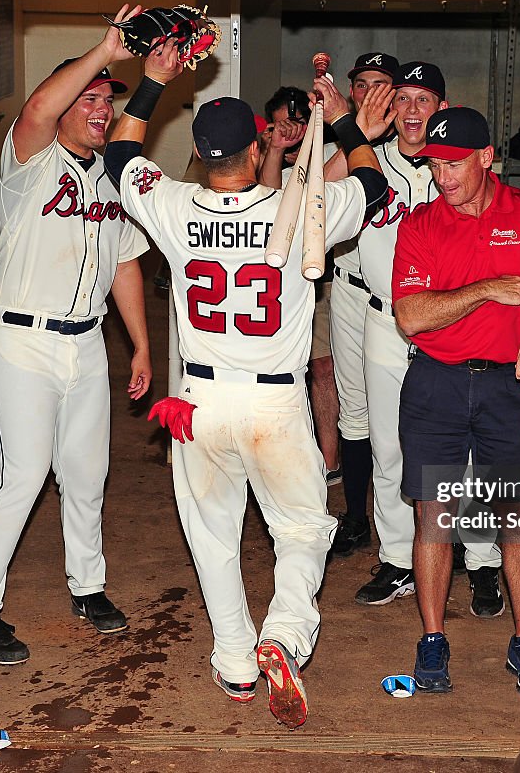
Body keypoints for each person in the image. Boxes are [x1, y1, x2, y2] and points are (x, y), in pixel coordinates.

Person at [105, 45, 388, 728]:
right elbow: (374, 191)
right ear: (259, 144)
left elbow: (119, 157)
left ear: (201, 154)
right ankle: (283, 636)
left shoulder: (171, 205)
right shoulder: (300, 209)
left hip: (199, 403)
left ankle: (234, 663)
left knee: (212, 538)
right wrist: (347, 127)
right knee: (302, 530)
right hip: (274, 401)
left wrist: (152, 84)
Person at [0, 5, 152, 665]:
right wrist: (103, 53)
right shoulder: (28, 159)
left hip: (87, 342)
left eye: (107, 100)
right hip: (21, 341)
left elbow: (124, 261)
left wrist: (143, 345)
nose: (100, 108)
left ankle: (88, 587)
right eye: (90, 97)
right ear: (66, 102)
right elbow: (39, 105)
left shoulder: (113, 175)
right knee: (23, 472)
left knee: (88, 473)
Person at [391, 106, 520, 696]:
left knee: (519, 519)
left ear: (485, 157)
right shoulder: (421, 224)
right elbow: (411, 315)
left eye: (452, 165)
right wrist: (488, 290)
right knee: (434, 516)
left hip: (511, 386)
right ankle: (431, 640)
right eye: (433, 165)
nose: (441, 177)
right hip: (437, 383)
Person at [329, 62, 504, 611]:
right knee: (389, 449)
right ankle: (398, 559)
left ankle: (482, 562)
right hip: (385, 319)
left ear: (442, 110)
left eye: (422, 100)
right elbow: (314, 194)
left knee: (467, 454)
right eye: (399, 98)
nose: (409, 110)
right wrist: (359, 134)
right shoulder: (367, 162)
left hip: (454, 324)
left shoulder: (456, 166)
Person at [327, 52, 398, 558]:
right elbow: (306, 193)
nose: (371, 92)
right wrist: (354, 135)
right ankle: (356, 517)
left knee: (418, 419)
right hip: (351, 290)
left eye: (381, 84)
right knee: (354, 412)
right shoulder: (339, 141)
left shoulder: (419, 149)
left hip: (412, 302)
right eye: (362, 84)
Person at [259, 87, 341, 485]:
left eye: (297, 124)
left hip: (320, 280)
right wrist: (278, 147)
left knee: (322, 369)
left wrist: (311, 142)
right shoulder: (267, 156)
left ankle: (329, 463)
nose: (290, 131)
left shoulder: (328, 154)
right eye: (280, 124)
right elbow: (271, 201)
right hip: (275, 282)